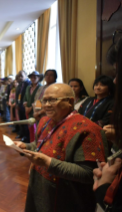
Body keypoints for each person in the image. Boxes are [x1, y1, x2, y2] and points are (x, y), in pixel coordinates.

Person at [15, 83, 108, 212]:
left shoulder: (87, 129)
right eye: (44, 100)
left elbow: (88, 173)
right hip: (39, 187)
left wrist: (48, 162)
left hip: (66, 198)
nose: (46, 105)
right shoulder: (45, 120)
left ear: (70, 101)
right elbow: (41, 145)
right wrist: (25, 146)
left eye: (52, 100)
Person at [93, 35, 122, 212]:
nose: (115, 80)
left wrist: (103, 187)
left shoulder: (111, 103)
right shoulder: (90, 101)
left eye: (119, 73)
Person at [23, 71, 42, 142]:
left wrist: (31, 108)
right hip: (27, 111)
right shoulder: (28, 87)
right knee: (30, 129)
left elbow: (39, 100)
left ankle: (35, 145)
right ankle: (31, 143)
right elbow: (25, 98)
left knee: (36, 130)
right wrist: (25, 107)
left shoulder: (41, 87)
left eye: (35, 77)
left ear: (39, 78)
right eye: (31, 77)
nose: (33, 79)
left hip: (36, 112)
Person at [15, 70, 31, 141]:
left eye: (22, 75)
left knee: (25, 122)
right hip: (19, 105)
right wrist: (17, 103)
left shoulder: (29, 84)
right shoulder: (20, 84)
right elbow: (17, 95)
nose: (20, 77)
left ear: (26, 75)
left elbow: (27, 96)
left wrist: (23, 105)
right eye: (19, 76)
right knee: (21, 121)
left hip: (25, 106)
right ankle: (22, 133)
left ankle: (26, 137)